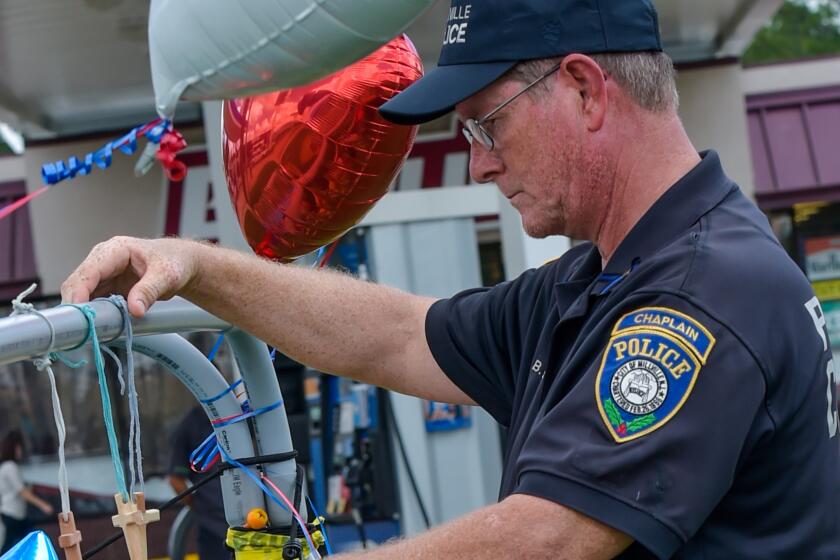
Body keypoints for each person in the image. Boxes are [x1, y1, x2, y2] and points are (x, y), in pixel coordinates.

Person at [61, 0, 840, 557]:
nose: (478, 162)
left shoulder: (701, 291)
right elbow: (397, 335)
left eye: (487, 123)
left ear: (583, 87)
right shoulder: (605, 276)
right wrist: (195, 265)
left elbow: (549, 535)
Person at [168, 406, 229, 560]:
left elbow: (176, 482)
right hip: (251, 524)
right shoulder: (246, 415)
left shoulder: (192, 420)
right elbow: (176, 481)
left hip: (214, 526)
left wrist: (200, 506)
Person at [0, 430, 53, 554]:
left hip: (16, 515)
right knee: (14, 547)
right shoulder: (9, 467)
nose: (21, 451)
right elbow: (22, 492)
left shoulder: (8, 467)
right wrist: (43, 505)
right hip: (12, 514)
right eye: (19, 447)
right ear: (13, 448)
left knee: (22, 544)